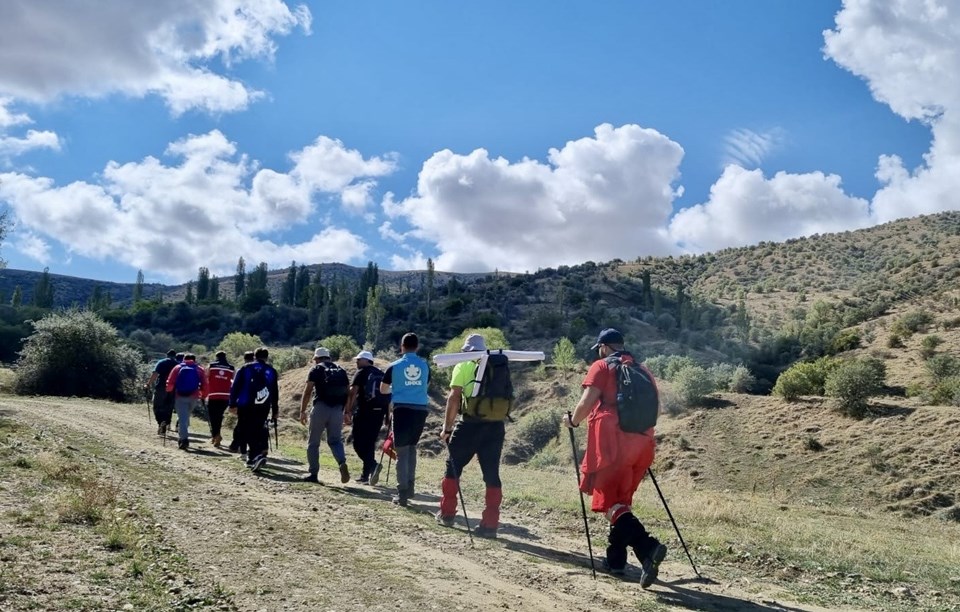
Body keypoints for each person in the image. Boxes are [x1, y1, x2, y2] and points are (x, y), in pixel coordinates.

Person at [562, 328, 666, 587]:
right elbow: (656, 408)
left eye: (599, 349)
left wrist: (572, 422)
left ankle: (648, 547)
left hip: (613, 443)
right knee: (620, 503)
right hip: (642, 444)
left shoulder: (602, 366)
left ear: (604, 347)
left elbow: (586, 402)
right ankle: (616, 560)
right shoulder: (643, 370)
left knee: (610, 503)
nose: (599, 353)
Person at [436, 334, 506, 538]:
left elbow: (454, 397)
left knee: (453, 467)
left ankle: (447, 513)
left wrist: (447, 428)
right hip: (495, 426)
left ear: (466, 350)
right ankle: (490, 525)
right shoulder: (497, 365)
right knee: (492, 474)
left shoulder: (463, 365)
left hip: (470, 424)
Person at [380, 332, 430, 507]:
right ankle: (410, 487)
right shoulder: (425, 366)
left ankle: (402, 493)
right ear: (417, 347)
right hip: (420, 411)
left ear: (402, 347)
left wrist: (397, 387)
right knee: (412, 449)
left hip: (402, 410)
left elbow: (383, 390)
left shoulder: (394, 366)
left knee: (401, 452)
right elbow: (425, 385)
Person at [299, 347, 352, 484]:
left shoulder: (316, 369)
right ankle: (341, 462)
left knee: (313, 443)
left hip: (320, 408)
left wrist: (303, 411)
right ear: (328, 357)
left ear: (317, 358)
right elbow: (348, 392)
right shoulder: (341, 370)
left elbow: (308, 391)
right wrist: (346, 411)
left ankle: (313, 473)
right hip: (337, 411)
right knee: (335, 441)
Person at [342, 350, 390, 484]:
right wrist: (387, 416)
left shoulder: (362, 372)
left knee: (357, 443)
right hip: (379, 413)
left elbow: (353, 393)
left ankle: (373, 465)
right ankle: (365, 476)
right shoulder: (381, 373)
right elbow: (387, 395)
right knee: (369, 444)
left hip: (364, 411)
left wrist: (347, 411)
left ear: (367, 361)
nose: (357, 361)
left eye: (359, 359)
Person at [230, 347, 279, 472]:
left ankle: (253, 456)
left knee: (245, 429)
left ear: (255, 356)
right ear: (266, 357)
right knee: (257, 429)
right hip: (263, 405)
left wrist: (232, 403)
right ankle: (255, 455)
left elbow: (235, 387)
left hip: (245, 404)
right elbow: (275, 392)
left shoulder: (245, 368)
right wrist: (275, 410)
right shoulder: (271, 371)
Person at [165, 353, 207, 450]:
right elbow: (205, 384)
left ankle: (184, 440)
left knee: (183, 418)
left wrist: (168, 391)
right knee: (185, 416)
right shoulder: (199, 369)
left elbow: (170, 381)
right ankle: (183, 434)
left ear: (184, 359)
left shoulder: (177, 367)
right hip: (194, 396)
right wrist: (204, 395)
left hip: (180, 396)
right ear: (194, 360)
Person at [227, 351, 255, 454]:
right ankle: (250, 447)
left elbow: (234, 387)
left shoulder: (243, 370)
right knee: (252, 425)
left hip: (243, 402)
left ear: (244, 359)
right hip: (257, 403)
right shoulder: (260, 370)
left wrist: (232, 403)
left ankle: (236, 445)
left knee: (241, 424)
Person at [206, 350, 235, 448]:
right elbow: (233, 381)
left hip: (213, 395)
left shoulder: (211, 366)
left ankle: (216, 436)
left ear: (217, 357)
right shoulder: (231, 368)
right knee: (218, 416)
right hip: (226, 396)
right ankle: (215, 436)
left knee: (213, 417)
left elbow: (206, 377)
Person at [145, 349, 177, 436]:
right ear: (175, 356)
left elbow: (155, 374)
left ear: (167, 355)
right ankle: (166, 423)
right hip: (173, 389)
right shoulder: (178, 365)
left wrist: (148, 384)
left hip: (161, 387)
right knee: (169, 407)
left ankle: (160, 423)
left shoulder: (161, 362)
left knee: (157, 406)